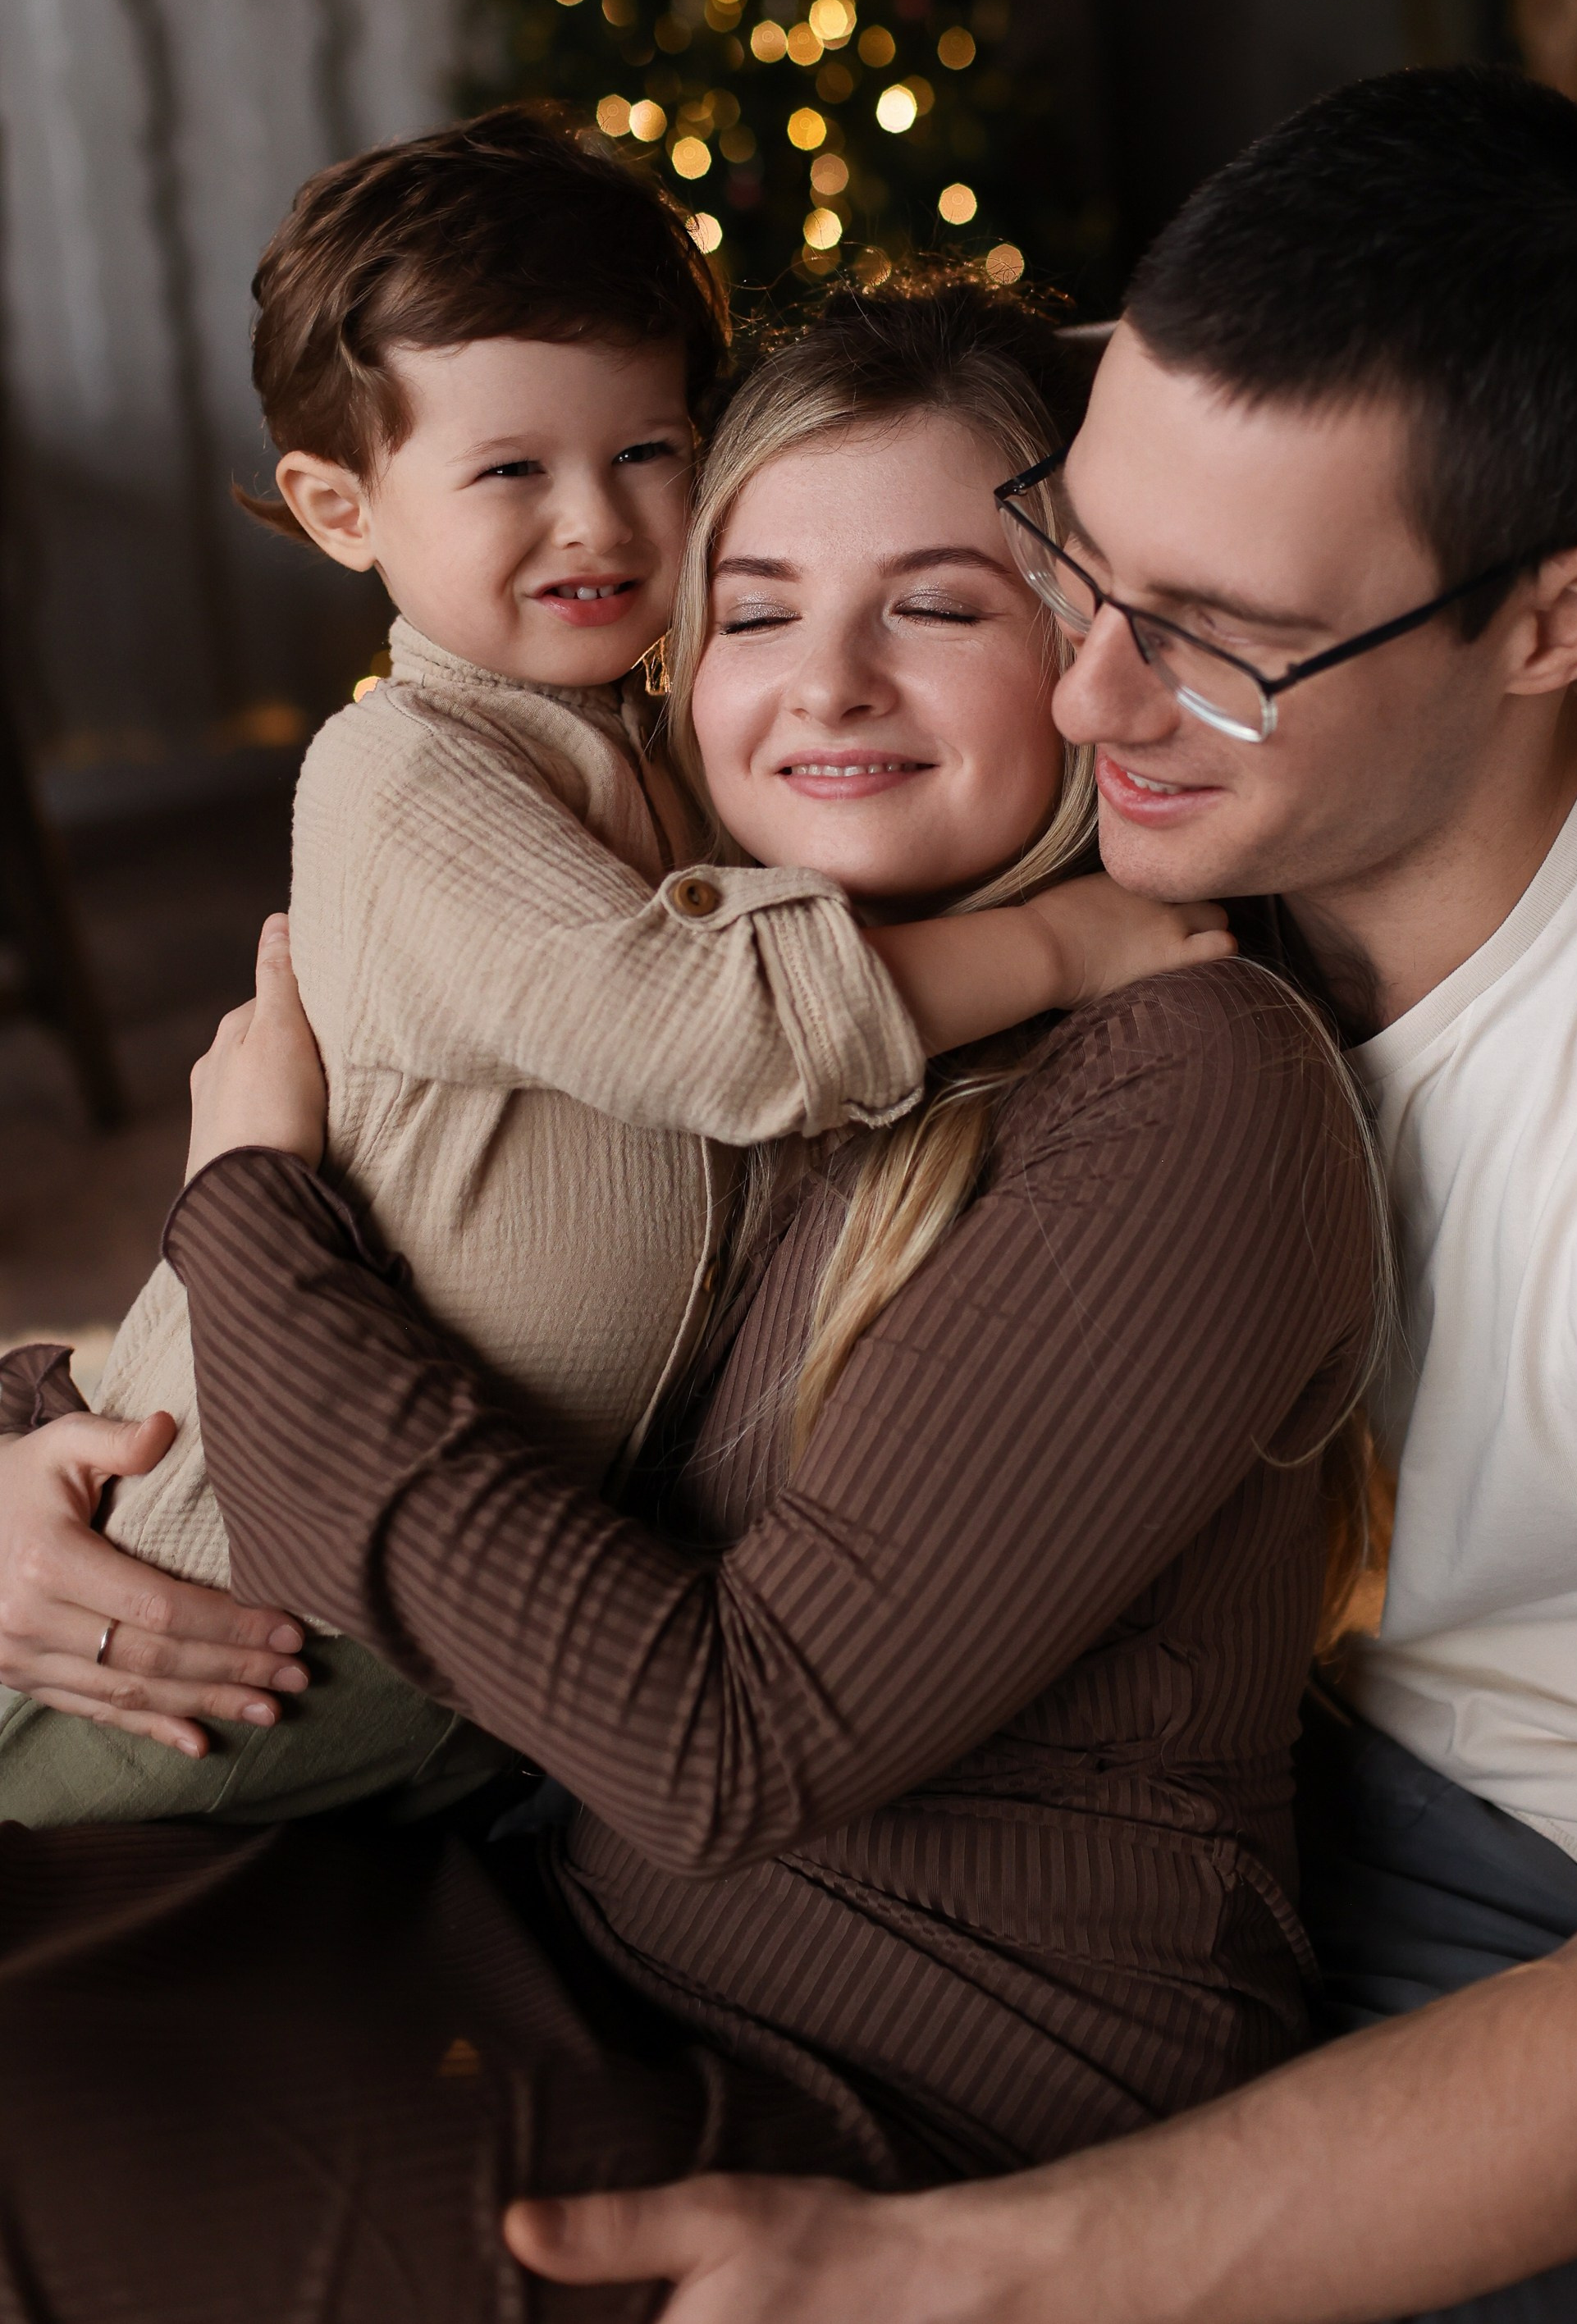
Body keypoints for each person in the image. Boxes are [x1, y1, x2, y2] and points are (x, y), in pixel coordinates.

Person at [480, 65, 1577, 2323]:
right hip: (1169, 1787)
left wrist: (961, 2270)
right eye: (1080, 559)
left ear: (1555, 620)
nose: (1091, 683)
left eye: (1221, 635)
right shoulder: (1119, 861)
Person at [0, 279, 1378, 2322]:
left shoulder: (1193, 1075)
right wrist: (38, 1447)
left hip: (939, 2101)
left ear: (1085, 650)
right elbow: (464, 1298)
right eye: (751, 607)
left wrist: (248, 1203)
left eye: (937, 603)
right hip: (563, 1919)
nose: (825, 682)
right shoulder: (727, 1007)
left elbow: (726, 1749)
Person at [0, 117, 1210, 1828]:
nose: (601, 520)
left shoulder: (651, 741)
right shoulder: (405, 776)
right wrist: (1057, 940)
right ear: (340, 506)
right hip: (225, 1586)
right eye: (512, 472)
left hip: (457, 1622)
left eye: (651, 450)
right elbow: (709, 1029)